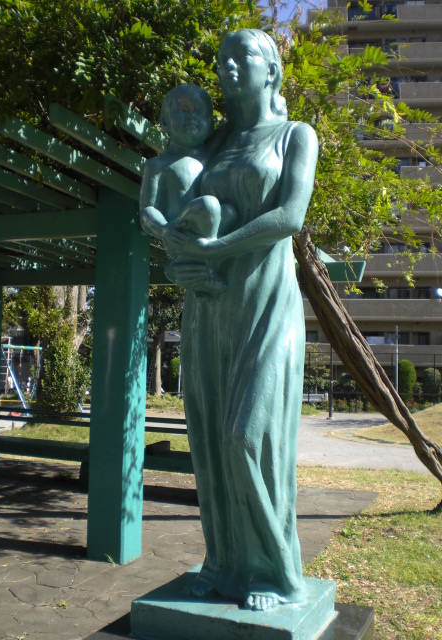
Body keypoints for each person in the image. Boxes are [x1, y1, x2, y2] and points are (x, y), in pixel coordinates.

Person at [152, 29, 318, 612]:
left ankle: (278, 573)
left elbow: (289, 216)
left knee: (248, 437)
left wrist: (214, 250)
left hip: (268, 301)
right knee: (208, 441)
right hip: (210, 306)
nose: (225, 65)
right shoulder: (214, 139)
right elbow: (179, 212)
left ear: (270, 69)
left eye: (239, 56)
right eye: (220, 58)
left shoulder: (296, 135)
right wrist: (179, 260)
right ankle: (224, 563)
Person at [140, 83, 236, 295]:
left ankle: (198, 264)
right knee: (208, 205)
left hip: (211, 229)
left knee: (229, 212)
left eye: (199, 112)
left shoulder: (211, 152)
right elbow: (147, 209)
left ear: (211, 124)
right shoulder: (158, 165)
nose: (191, 117)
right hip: (181, 231)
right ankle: (198, 264)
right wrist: (164, 229)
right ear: (164, 122)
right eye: (181, 110)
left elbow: (236, 124)